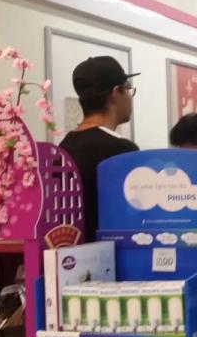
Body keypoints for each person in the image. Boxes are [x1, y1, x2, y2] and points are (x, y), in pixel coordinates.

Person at [59, 56, 139, 240]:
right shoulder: (122, 151)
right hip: (111, 258)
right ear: (116, 93)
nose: (129, 96)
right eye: (128, 89)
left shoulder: (63, 148)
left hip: (70, 254)